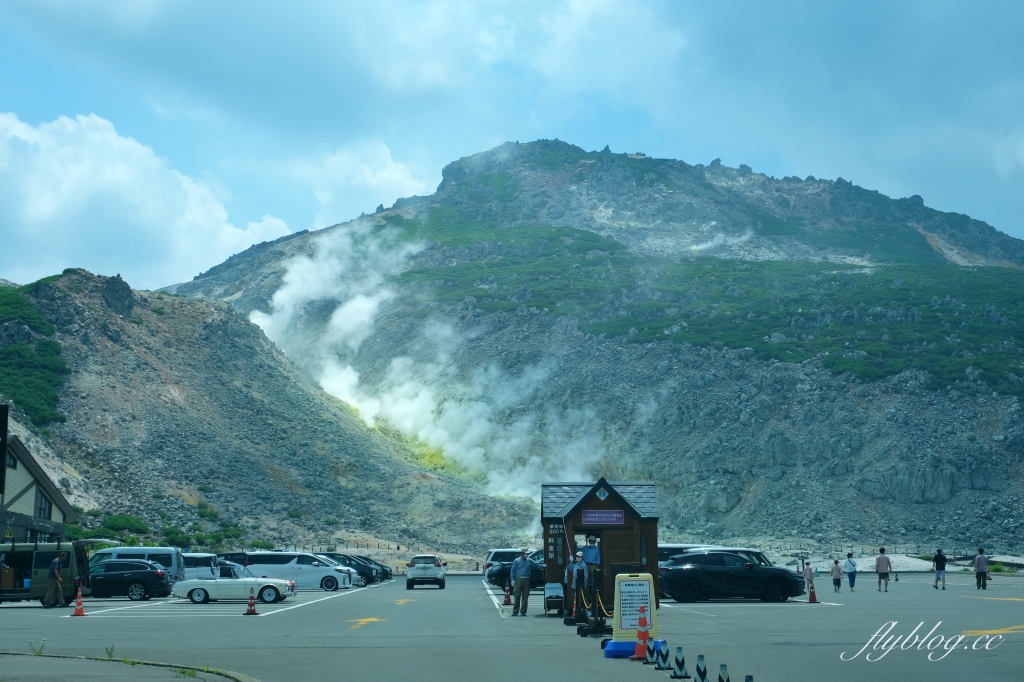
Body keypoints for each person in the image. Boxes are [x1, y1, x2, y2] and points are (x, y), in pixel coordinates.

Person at [509, 548, 538, 616]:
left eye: (527, 554)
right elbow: (513, 571)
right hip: (518, 578)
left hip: (526, 579)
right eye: (526, 553)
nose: (527, 555)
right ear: (522, 553)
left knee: (525, 595)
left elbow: (536, 565)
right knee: (517, 595)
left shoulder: (529, 561)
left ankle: (523, 611)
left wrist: (543, 566)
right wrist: (512, 580)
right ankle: (515, 611)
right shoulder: (517, 561)